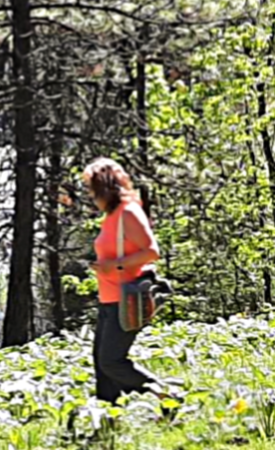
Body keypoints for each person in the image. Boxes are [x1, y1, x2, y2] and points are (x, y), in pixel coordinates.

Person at [83, 157, 162, 405]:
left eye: (92, 189)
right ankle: (108, 420)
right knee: (102, 363)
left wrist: (112, 266)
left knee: (112, 362)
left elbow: (151, 251)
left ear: (104, 188)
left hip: (126, 299)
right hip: (108, 300)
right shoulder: (113, 215)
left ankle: (164, 395)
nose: (90, 196)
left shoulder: (128, 211)